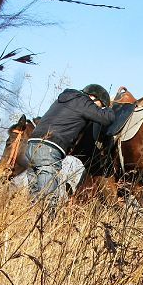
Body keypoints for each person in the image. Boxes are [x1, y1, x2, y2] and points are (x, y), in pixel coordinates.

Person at [25, 84, 116, 217]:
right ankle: (46, 230)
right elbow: (106, 118)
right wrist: (108, 108)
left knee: (35, 196)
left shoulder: (63, 99)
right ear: (93, 97)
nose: (97, 108)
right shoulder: (83, 101)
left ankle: (30, 226)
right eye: (99, 105)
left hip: (31, 146)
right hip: (49, 148)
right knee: (49, 196)